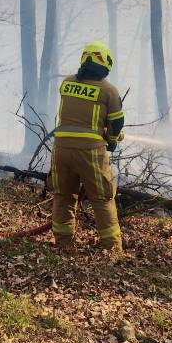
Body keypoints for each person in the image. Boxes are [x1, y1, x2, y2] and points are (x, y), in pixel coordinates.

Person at [49, 41, 125, 254]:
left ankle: (63, 244)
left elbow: (79, 116)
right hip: (90, 152)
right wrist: (112, 139)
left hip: (61, 149)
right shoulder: (108, 90)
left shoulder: (66, 83)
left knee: (63, 195)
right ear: (106, 63)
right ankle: (112, 249)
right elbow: (117, 123)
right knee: (102, 198)